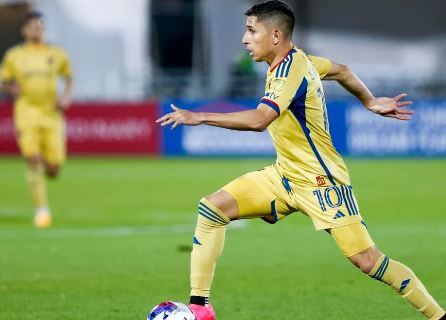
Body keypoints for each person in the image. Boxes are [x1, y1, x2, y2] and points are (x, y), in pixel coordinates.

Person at [157, 1, 445, 319]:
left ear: (276, 35)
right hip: (284, 176)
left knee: (369, 262)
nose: (244, 39)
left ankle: (438, 315)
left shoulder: (288, 72)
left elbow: (258, 120)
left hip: (321, 181)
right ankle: (200, 308)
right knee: (212, 208)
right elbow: (342, 71)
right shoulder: (299, 59)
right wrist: (370, 100)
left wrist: (198, 116)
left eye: (252, 30)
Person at [0, 11, 73, 228]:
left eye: (39, 26)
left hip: (51, 114)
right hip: (26, 112)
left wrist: (66, 96)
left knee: (54, 168)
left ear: (44, 29)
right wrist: (10, 87)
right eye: (31, 26)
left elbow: (69, 77)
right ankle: (42, 210)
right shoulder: (14, 55)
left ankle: (50, 169)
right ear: (24, 30)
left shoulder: (57, 54)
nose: (36, 30)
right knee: (32, 159)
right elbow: (3, 80)